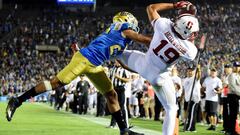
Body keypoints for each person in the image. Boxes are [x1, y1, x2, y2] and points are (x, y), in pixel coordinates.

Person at [6, 11, 151, 135]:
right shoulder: (122, 28)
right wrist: (160, 42)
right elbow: (142, 39)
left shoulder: (119, 40)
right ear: (127, 20)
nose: (134, 27)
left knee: (111, 95)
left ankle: (124, 130)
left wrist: (142, 70)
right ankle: (17, 101)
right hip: (84, 59)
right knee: (56, 83)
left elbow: (123, 63)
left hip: (94, 65)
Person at [118, 1, 199, 135]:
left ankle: (87, 54)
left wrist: (175, 5)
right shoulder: (191, 51)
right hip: (159, 78)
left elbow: (151, 8)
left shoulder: (163, 25)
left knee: (116, 53)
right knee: (171, 109)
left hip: (143, 65)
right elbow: (189, 40)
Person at [108, 61, 131, 128]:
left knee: (122, 107)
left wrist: (119, 77)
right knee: (114, 106)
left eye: (117, 61)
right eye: (115, 61)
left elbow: (128, 80)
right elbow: (109, 78)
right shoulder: (112, 69)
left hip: (120, 89)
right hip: (113, 89)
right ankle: (112, 124)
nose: (116, 62)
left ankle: (126, 125)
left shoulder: (124, 69)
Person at [182, 65, 201, 132]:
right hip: (188, 99)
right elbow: (184, 90)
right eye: (189, 70)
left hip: (194, 98)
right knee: (190, 113)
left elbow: (198, 76)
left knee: (192, 113)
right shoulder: (185, 79)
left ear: (194, 72)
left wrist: (198, 69)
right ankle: (188, 126)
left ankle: (191, 128)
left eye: (191, 71)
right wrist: (182, 98)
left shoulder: (194, 78)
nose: (190, 72)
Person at [225, 61, 240, 135]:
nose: (237, 68)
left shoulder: (238, 75)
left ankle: (234, 130)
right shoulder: (232, 75)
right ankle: (232, 130)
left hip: (237, 96)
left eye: (238, 66)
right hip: (233, 96)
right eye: (236, 66)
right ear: (233, 67)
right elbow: (233, 87)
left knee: (236, 114)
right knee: (233, 114)